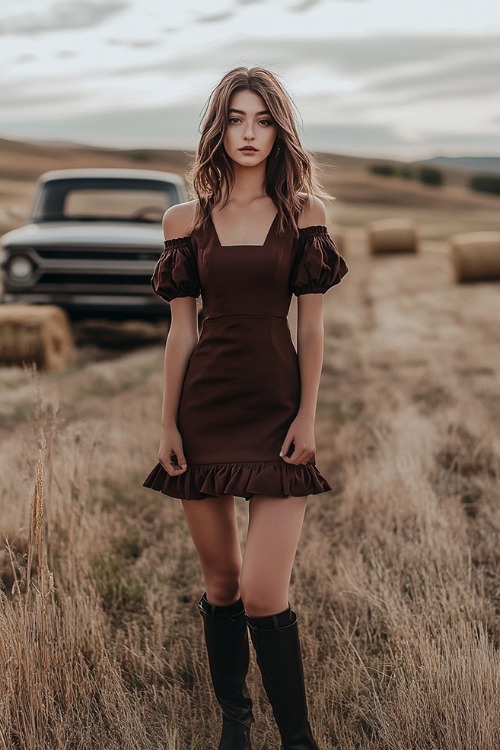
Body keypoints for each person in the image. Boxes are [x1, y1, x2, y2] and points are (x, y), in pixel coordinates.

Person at [143, 66, 348, 750]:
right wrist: (169, 423)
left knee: (265, 592)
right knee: (224, 583)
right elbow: (182, 332)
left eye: (262, 119)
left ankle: (298, 740)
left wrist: (308, 417)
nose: (249, 133)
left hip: (278, 413)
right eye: (236, 119)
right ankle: (236, 721)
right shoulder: (184, 221)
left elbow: (312, 329)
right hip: (204, 416)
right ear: (218, 129)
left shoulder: (304, 215)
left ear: (279, 129)